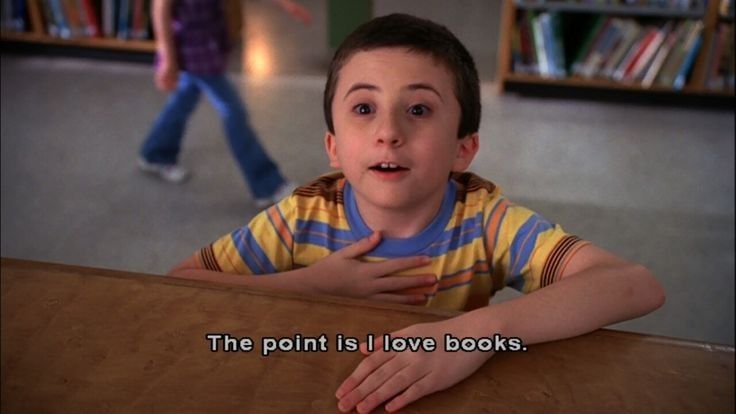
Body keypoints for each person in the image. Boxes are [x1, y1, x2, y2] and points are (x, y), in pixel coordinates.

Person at [168, 14, 666, 413]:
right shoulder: (301, 217)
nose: (388, 132)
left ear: (462, 149)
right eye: (364, 109)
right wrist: (311, 285)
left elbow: (633, 284)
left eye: (420, 110)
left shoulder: (486, 223)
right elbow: (179, 285)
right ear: (334, 146)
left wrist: (474, 334)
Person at [138, 0, 312, 207]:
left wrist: (285, 4)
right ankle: (268, 184)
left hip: (209, 43)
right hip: (192, 51)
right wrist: (167, 57)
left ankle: (155, 153)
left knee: (183, 100)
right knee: (233, 114)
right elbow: (161, 7)